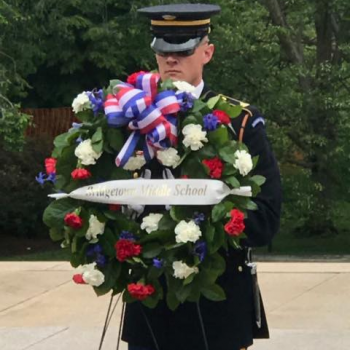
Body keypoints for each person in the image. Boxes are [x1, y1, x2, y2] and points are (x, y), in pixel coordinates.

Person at [121, 4, 282, 350]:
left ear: (207, 52)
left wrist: (204, 211)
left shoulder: (238, 122)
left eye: (183, 49)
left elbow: (266, 218)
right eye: (163, 50)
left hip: (217, 309)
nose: (171, 60)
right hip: (150, 308)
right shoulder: (129, 120)